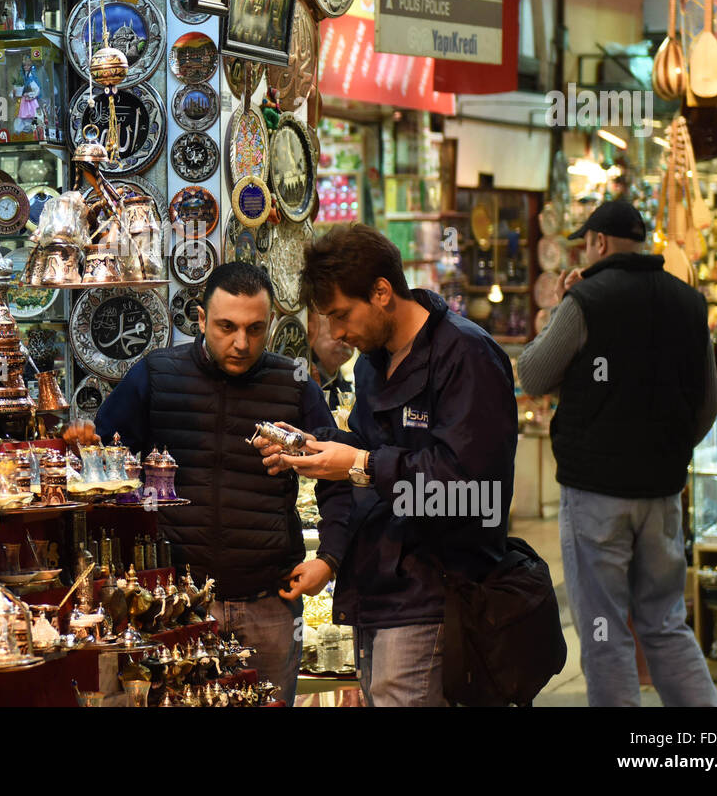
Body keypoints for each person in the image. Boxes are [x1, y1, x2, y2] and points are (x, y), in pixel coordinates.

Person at [251, 225, 518, 707]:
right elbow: (368, 445)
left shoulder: (466, 355)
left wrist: (363, 465)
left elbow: (474, 491)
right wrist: (315, 447)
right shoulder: (374, 362)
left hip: (434, 591)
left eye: (341, 315)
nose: (336, 334)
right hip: (376, 587)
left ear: (381, 292)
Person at [73, 263, 336, 707]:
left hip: (269, 603)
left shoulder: (293, 384)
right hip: (175, 605)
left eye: (255, 329)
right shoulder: (156, 375)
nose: (241, 343)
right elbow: (106, 467)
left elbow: (340, 479)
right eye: (226, 327)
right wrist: (86, 448)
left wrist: (329, 559)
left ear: (270, 323)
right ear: (200, 320)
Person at [518, 199, 717, 707]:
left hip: (596, 497)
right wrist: (666, 453)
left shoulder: (588, 300)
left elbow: (535, 374)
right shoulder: (689, 303)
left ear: (599, 244)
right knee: (666, 625)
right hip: (662, 494)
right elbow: (707, 406)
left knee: (606, 633)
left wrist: (562, 307)